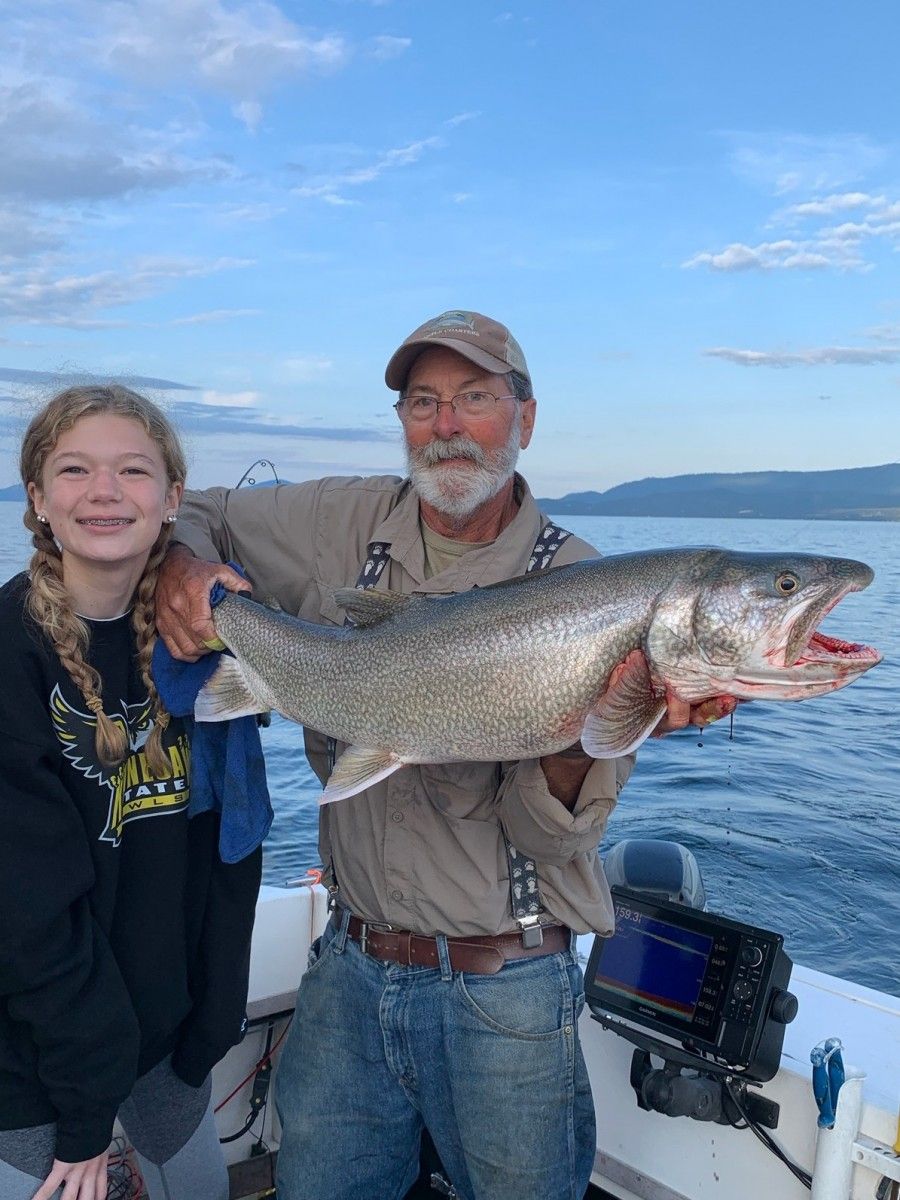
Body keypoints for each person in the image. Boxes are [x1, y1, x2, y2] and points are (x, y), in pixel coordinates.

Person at [156, 310, 734, 1200]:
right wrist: (186, 571)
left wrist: (613, 719)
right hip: (347, 968)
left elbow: (550, 841)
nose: (448, 424)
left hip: (506, 992)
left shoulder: (582, 584)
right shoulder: (335, 520)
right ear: (403, 423)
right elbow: (189, 508)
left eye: (474, 398)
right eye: (423, 402)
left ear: (525, 419)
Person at [0, 386, 262, 1200]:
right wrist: (83, 1119)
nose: (105, 491)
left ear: (173, 498)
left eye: (133, 471)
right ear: (38, 499)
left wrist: (211, 1024)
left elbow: (230, 847)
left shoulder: (209, 641)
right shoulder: (12, 655)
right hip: (35, 1054)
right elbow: (29, 913)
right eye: (74, 470)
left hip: (167, 1036)